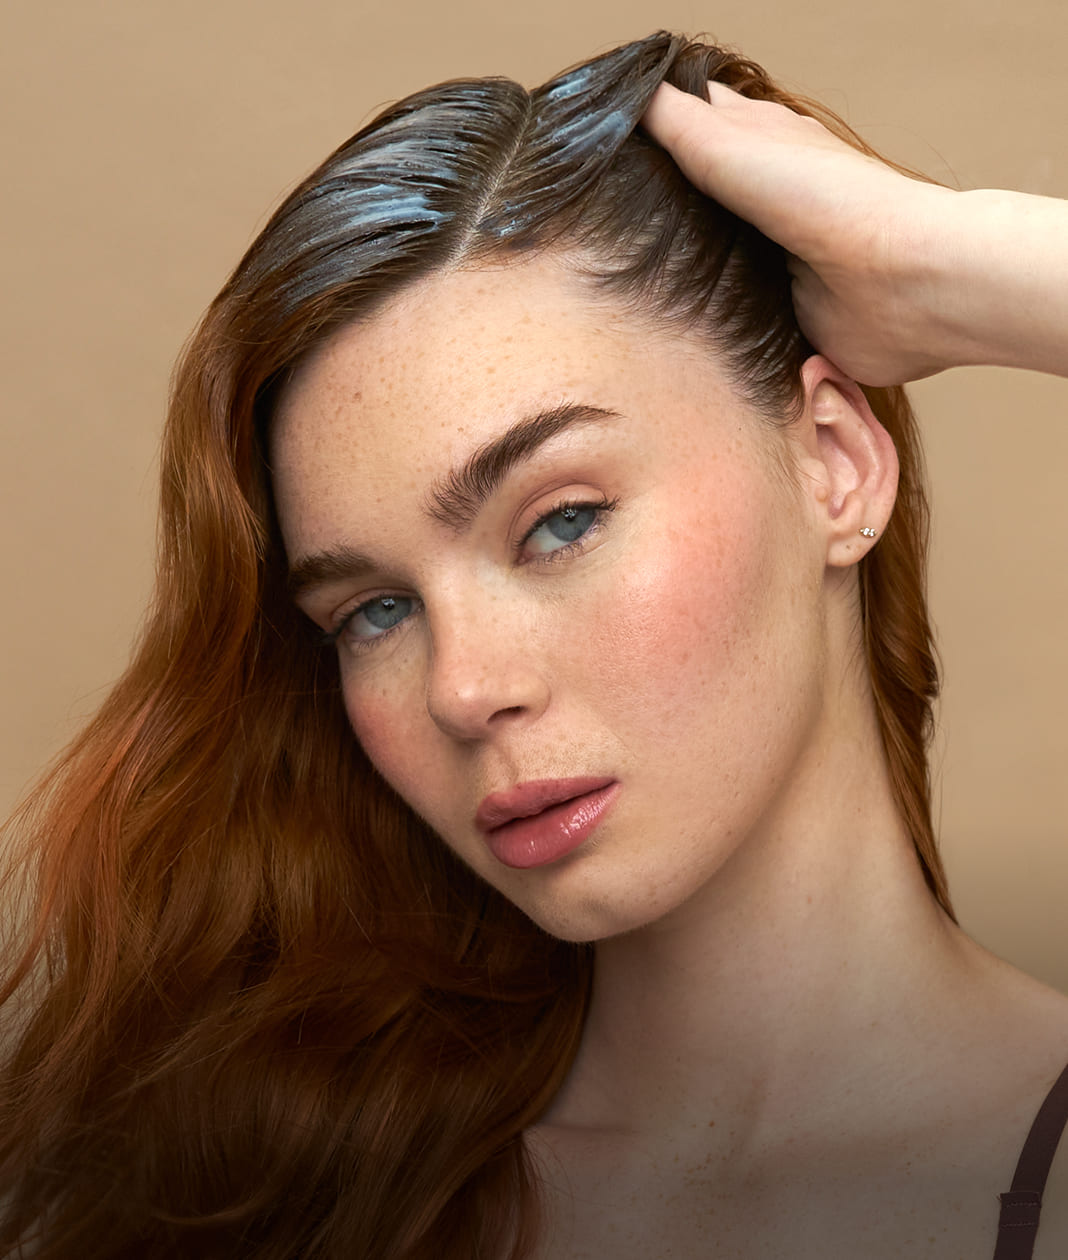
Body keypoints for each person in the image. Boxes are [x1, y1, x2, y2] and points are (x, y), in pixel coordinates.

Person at [1, 28, 1066, 1260]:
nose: (464, 689)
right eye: (375, 612)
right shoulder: (281, 1194)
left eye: (559, 522)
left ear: (833, 462)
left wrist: (954, 261)